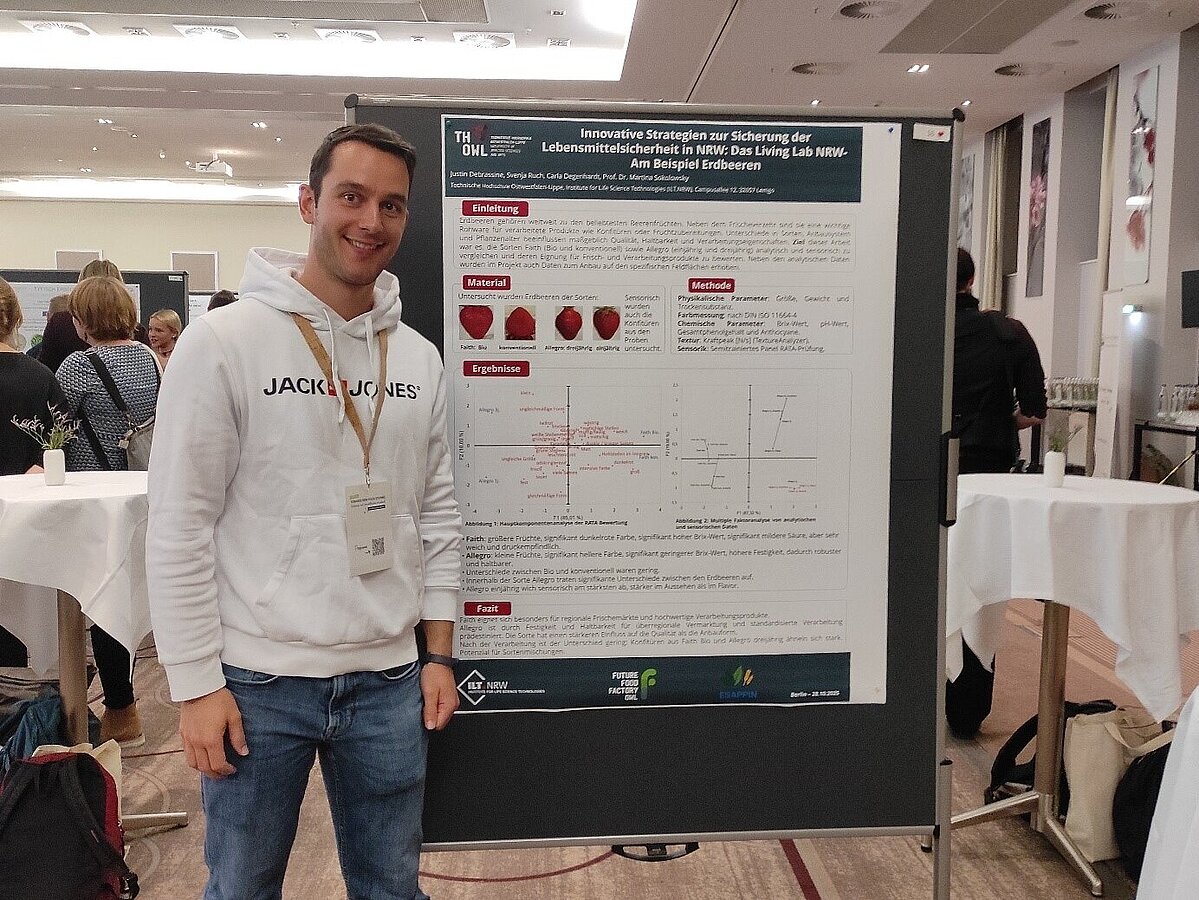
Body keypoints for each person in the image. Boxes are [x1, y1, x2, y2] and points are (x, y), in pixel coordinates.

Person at [147, 122, 462, 900]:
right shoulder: (222, 343)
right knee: (242, 888)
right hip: (258, 682)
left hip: (389, 679)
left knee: (391, 889)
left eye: (391, 205)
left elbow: (438, 515)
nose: (370, 221)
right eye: (351, 197)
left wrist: (438, 654)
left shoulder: (417, 357)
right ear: (308, 202)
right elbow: (180, 525)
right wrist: (194, 684)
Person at [56, 275, 161, 748]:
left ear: (83, 321)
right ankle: (124, 706)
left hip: (94, 495)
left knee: (98, 601)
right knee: (128, 593)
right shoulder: (150, 359)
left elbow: (56, 427)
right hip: (140, 490)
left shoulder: (78, 366)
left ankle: (120, 708)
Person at [947, 248, 1047, 738]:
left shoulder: (914, 329)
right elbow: (1034, 410)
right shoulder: (1010, 332)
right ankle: (966, 709)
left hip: (920, 474)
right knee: (980, 585)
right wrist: (998, 421)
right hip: (988, 477)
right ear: (971, 280)